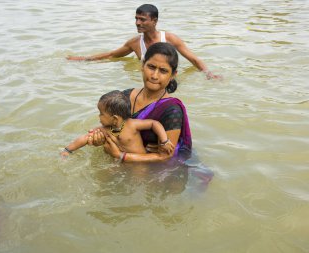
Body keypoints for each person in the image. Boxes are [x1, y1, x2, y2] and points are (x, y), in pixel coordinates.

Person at [88, 42, 192, 163]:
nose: (154, 75)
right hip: (120, 161)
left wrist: (121, 155)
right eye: (151, 67)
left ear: (173, 75)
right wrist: (99, 139)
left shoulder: (171, 110)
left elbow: (166, 157)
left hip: (148, 169)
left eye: (163, 71)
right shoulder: (125, 96)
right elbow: (110, 127)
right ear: (142, 66)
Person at [67, 4, 221, 80]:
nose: (137, 23)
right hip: (147, 80)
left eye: (142, 19)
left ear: (154, 21)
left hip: (167, 79)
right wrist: (82, 59)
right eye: (136, 19)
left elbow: (193, 59)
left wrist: (208, 73)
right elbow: (112, 55)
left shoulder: (169, 39)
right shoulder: (134, 43)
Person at [61, 90, 175, 159]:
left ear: (114, 118)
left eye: (101, 114)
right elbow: (85, 138)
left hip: (140, 161)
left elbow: (154, 124)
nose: (99, 117)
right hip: (120, 162)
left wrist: (164, 141)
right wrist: (67, 150)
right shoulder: (104, 130)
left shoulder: (132, 124)